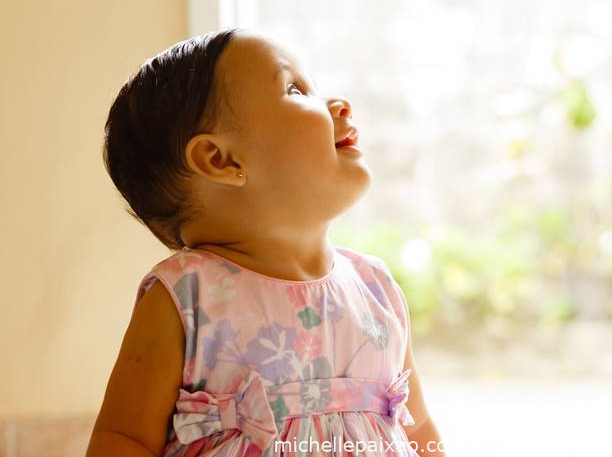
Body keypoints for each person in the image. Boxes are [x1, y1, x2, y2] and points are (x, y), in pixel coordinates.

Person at [86, 28, 446, 456]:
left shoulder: (375, 288)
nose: (338, 103)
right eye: (295, 89)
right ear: (222, 160)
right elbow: (125, 439)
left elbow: (418, 427)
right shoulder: (188, 298)